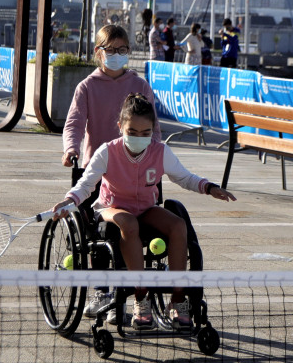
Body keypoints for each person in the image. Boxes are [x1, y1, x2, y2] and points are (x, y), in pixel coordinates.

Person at [53, 93, 236, 330]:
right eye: (132, 132)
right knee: (129, 224)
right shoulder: (108, 151)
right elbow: (86, 184)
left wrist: (210, 188)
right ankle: (141, 296)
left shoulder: (160, 151)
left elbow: (185, 177)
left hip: (146, 208)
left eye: (145, 133)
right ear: (120, 127)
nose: (139, 138)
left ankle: (178, 299)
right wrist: (68, 201)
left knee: (178, 225)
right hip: (111, 209)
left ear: (153, 130)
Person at [62, 24, 162, 323]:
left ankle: (139, 296)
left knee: (141, 228)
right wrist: (70, 149)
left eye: (122, 50)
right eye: (111, 50)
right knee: (97, 235)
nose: (117, 55)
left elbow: (154, 127)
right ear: (99, 52)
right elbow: (75, 123)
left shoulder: (140, 85)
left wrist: (156, 153)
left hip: (137, 169)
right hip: (100, 169)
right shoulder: (87, 87)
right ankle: (102, 290)